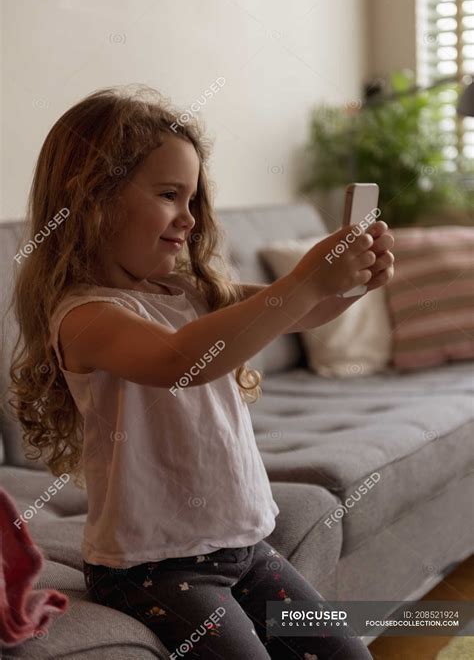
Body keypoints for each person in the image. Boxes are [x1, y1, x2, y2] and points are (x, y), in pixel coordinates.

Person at [8, 84, 395, 659]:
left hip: (247, 547)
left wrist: (351, 282)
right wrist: (307, 280)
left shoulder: (190, 290)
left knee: (349, 654)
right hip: (151, 567)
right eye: (169, 194)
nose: (189, 218)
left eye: (193, 199)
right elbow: (179, 360)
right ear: (91, 194)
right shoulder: (85, 316)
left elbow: (304, 312)